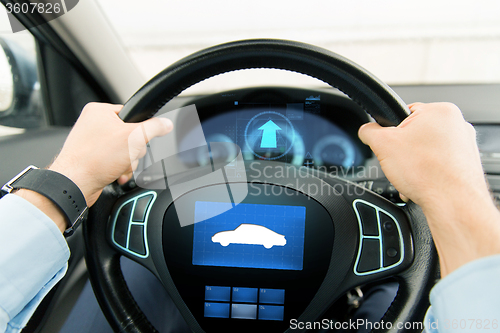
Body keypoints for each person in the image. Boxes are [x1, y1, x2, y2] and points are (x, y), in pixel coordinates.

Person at [0, 101, 499, 332]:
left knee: (134, 274)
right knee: (391, 291)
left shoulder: (190, 189)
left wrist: (71, 177)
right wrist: (452, 193)